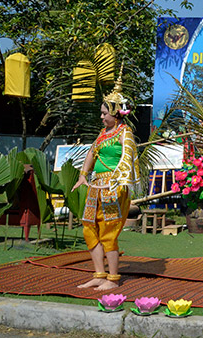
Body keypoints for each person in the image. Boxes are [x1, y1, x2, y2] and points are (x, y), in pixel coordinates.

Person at [72, 77, 140, 291]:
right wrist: (83, 175)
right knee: (89, 227)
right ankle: (99, 274)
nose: (101, 117)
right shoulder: (103, 134)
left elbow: (128, 157)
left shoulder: (124, 133)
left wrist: (118, 180)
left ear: (116, 113)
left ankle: (113, 279)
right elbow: (92, 152)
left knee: (108, 230)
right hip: (96, 185)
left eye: (104, 113)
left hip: (113, 186)